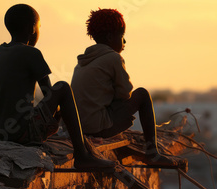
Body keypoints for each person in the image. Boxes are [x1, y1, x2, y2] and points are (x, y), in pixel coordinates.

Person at [0, 4, 114, 170]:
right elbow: (49, 93)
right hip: (18, 134)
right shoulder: (31, 53)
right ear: (32, 28)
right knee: (63, 87)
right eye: (39, 27)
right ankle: (82, 155)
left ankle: (82, 153)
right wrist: (61, 115)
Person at [71, 8, 175, 166]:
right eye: (122, 36)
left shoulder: (83, 62)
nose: (124, 42)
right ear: (110, 37)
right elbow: (126, 94)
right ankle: (152, 153)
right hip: (99, 128)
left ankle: (152, 153)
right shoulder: (113, 58)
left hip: (80, 129)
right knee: (142, 94)